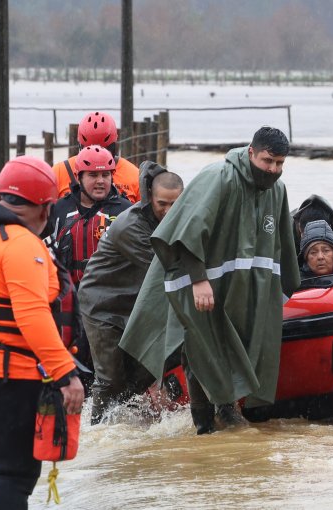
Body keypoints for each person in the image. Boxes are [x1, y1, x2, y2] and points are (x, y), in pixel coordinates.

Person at [125, 126, 300, 435]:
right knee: (201, 346)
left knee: (239, 347)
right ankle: (207, 425)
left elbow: (280, 245)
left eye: (279, 163)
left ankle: (217, 421)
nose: (273, 169)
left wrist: (284, 289)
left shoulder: (278, 190)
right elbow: (184, 231)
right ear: (251, 153)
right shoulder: (218, 177)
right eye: (268, 161)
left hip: (242, 288)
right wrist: (198, 280)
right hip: (196, 280)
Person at [0, 156, 83, 509]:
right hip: (8, 375)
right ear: (46, 207)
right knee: (14, 476)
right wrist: (66, 373)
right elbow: (33, 315)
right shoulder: (21, 243)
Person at [77, 162, 184, 423]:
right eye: (162, 204)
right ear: (150, 198)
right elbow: (165, 270)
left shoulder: (178, 219)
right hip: (102, 303)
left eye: (175, 205)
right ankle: (96, 429)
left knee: (147, 368)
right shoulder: (131, 225)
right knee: (110, 378)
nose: (169, 212)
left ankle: (125, 424)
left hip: (135, 303)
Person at [50, 145, 132, 388]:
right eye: (93, 175)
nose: (101, 181)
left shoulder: (126, 212)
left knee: (114, 380)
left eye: (106, 175)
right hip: (69, 307)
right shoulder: (58, 210)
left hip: (111, 308)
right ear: (79, 178)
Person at [52, 111, 140, 202]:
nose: (97, 158)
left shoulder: (135, 176)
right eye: (89, 152)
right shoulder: (58, 173)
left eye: (104, 152)